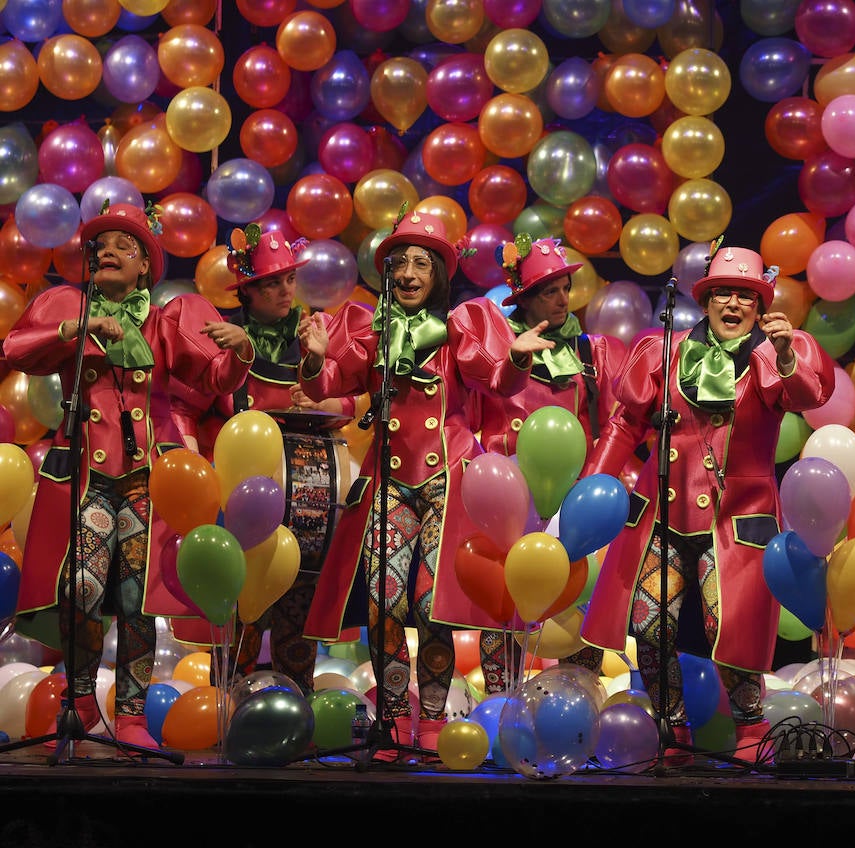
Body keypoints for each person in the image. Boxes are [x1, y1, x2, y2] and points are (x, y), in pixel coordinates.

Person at [297, 208, 552, 759]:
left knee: (433, 601)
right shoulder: (368, 329)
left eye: (421, 263)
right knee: (383, 602)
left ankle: (432, 721)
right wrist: (315, 359)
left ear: (439, 274)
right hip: (389, 479)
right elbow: (323, 388)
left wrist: (515, 358)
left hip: (448, 479)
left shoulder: (461, 326)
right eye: (399, 262)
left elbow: (498, 380)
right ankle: (391, 720)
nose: (409, 272)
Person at [2, 200, 254, 752]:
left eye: (125, 245)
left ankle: (135, 714)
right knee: (79, 588)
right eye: (101, 245)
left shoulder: (162, 322)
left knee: (138, 596)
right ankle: (84, 698)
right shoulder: (68, 305)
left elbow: (212, 376)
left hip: (147, 476)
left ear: (146, 265)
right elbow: (17, 348)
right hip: (88, 477)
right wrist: (78, 326)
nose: (109, 251)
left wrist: (241, 352)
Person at [578, 244, 835, 761]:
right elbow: (626, 424)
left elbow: (810, 396)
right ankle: (674, 734)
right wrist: (590, 486)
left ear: (760, 307)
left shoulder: (774, 358)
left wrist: (786, 356)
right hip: (663, 514)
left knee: (733, 629)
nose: (733, 304)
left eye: (745, 295)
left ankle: (748, 733)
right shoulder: (664, 352)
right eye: (723, 294)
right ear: (707, 301)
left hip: (736, 519)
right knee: (651, 627)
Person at [168, 222, 358, 698]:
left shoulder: (316, 332)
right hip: (242, 496)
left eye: (288, 280)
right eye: (271, 283)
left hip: (310, 492)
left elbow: (354, 399)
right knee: (240, 604)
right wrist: (192, 456)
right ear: (248, 291)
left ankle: (296, 710)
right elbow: (188, 405)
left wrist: (328, 404)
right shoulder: (225, 336)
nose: (284, 290)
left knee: (299, 599)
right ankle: (228, 708)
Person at [472, 234, 629, 685]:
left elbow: (610, 427)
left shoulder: (591, 353)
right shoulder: (500, 350)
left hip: (573, 506)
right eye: (549, 291)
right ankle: (501, 707)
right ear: (525, 300)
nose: (562, 300)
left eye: (565, 289)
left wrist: (592, 488)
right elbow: (486, 412)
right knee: (506, 606)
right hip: (513, 501)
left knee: (576, 606)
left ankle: (577, 711)